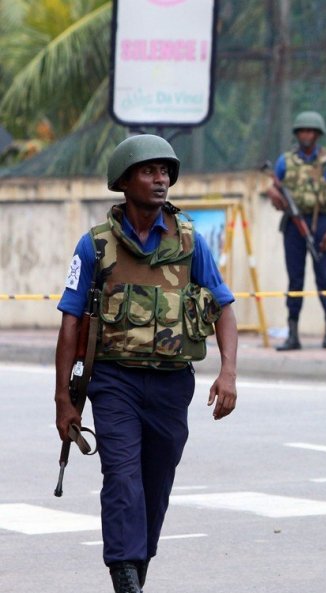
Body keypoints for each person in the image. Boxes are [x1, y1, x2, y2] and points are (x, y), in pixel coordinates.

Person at [54, 134, 239, 593]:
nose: (160, 180)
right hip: (114, 380)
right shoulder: (94, 246)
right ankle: (125, 576)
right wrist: (64, 399)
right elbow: (70, 322)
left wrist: (229, 371)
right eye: (148, 171)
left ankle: (136, 570)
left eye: (165, 172)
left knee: (154, 487)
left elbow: (224, 308)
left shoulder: (191, 242)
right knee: (121, 477)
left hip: (172, 384)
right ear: (124, 181)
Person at [265, 110, 326, 350]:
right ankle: (292, 334)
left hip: (320, 221)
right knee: (295, 279)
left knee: (324, 278)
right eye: (302, 131)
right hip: (293, 225)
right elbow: (274, 189)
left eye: (311, 131)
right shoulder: (286, 161)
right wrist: (273, 194)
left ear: (318, 134)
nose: (306, 135)